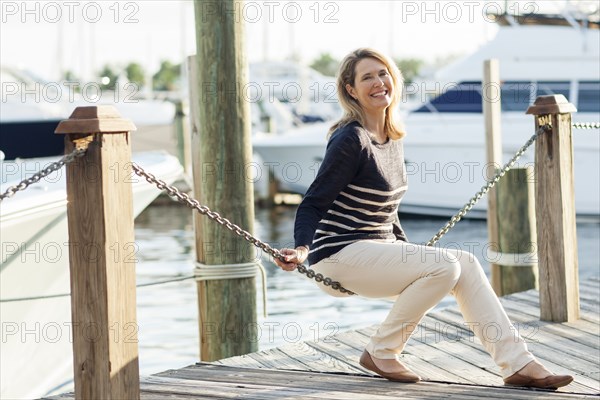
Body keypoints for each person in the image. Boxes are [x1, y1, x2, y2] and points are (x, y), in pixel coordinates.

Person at [274, 48, 574, 389]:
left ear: (394, 80)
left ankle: (518, 364)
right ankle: (381, 351)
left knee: (466, 263)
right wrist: (300, 249)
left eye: (383, 73)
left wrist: (406, 250)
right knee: (445, 266)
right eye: (367, 77)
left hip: (374, 252)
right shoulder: (350, 139)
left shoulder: (392, 137)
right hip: (337, 257)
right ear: (351, 90)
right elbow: (313, 202)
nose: (378, 82)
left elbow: (387, 211)